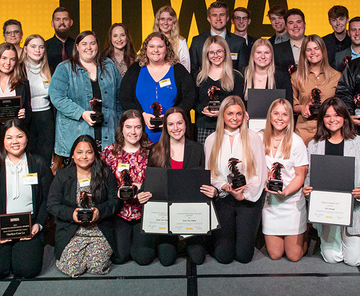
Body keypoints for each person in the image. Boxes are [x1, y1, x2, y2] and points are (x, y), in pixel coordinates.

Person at [0, 120, 53, 280]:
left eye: (19, 136)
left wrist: (38, 224)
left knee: (27, 270)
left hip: (29, 227)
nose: (15, 141)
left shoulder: (39, 164)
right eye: (9, 137)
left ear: (27, 138)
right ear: (2, 140)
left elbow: (48, 198)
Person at [302, 98, 360, 266]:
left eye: (337, 115)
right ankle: (340, 243)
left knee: (353, 260)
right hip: (327, 209)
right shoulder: (314, 144)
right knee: (331, 258)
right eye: (327, 116)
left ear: (344, 117)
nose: (332, 119)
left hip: (354, 208)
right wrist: (307, 191)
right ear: (322, 119)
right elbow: (310, 175)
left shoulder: (359, 143)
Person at [143, 107, 215, 265]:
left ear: (186, 124)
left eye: (179, 123)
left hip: (189, 211)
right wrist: (142, 193)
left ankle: (185, 239)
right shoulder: (156, 149)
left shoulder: (197, 149)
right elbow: (151, 182)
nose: (175, 128)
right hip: (166, 212)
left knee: (198, 258)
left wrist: (212, 191)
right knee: (166, 260)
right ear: (165, 126)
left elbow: (202, 181)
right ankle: (175, 240)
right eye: (171, 124)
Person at [206, 96, 266, 264]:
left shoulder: (253, 138)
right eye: (230, 113)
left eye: (239, 113)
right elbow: (210, 174)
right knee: (224, 257)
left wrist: (243, 195)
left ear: (244, 115)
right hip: (223, 198)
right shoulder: (212, 140)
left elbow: (260, 174)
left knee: (244, 256)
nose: (234, 118)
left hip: (248, 200)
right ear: (222, 115)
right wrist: (223, 186)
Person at [48, 135, 119, 277]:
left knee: (97, 267)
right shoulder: (62, 175)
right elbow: (52, 205)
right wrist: (71, 214)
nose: (84, 156)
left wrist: (100, 212)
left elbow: (115, 201)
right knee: (73, 269)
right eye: (79, 152)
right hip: (72, 231)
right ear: (73, 155)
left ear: (95, 154)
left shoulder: (105, 173)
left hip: (98, 230)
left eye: (89, 152)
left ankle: (91, 254)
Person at [52, 31, 122, 165]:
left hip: (108, 133)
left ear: (97, 45)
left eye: (92, 43)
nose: (88, 48)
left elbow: (119, 96)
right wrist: (82, 114)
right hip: (76, 134)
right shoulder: (65, 68)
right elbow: (57, 98)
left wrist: (119, 124)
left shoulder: (109, 65)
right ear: (77, 46)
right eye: (84, 44)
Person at [100, 110, 156, 265]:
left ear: (143, 129)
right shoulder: (109, 153)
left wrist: (144, 187)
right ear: (121, 128)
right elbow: (101, 184)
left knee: (143, 258)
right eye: (128, 127)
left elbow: (160, 182)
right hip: (119, 212)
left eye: (137, 127)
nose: (133, 132)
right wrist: (115, 192)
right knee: (120, 257)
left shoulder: (152, 151)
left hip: (144, 210)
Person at [120, 32, 196, 142]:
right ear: (146, 49)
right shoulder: (135, 70)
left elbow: (191, 96)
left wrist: (172, 116)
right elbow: (124, 98)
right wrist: (142, 114)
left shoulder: (178, 70)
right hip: (140, 135)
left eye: (160, 46)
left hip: (173, 134)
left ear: (167, 49)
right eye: (151, 46)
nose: (156, 50)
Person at [261, 99, 310, 261]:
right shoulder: (260, 138)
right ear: (270, 116)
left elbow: (300, 176)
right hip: (271, 203)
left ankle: (307, 236)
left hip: (291, 202)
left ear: (290, 118)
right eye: (276, 113)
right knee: (275, 255)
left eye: (284, 114)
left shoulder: (297, 142)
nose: (280, 118)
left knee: (294, 256)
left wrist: (285, 192)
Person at [291, 35, 342, 144]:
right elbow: (292, 104)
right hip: (304, 130)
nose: (312, 52)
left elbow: (341, 105)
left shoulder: (336, 76)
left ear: (323, 50)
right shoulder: (296, 77)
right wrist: (301, 108)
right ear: (304, 53)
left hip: (329, 130)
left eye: (316, 48)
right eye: (308, 50)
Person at [195, 36, 246, 144]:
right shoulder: (198, 77)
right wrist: (202, 109)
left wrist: (223, 112)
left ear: (225, 53)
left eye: (219, 51)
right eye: (212, 52)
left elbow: (237, 102)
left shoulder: (236, 77)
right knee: (206, 160)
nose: (216, 55)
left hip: (228, 126)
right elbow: (193, 101)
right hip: (205, 126)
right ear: (206, 54)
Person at [22, 34, 55, 164]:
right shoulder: (19, 70)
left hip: (46, 118)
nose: (38, 50)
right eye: (33, 46)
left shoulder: (50, 71)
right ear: (25, 49)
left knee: (45, 159)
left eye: (41, 47)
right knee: (28, 158)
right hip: (27, 119)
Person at [190, 1, 249, 72]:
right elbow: (193, 71)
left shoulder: (239, 42)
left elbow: (243, 72)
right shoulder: (197, 41)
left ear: (227, 18)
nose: (218, 18)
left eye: (222, 15)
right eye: (214, 15)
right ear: (209, 18)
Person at [244, 38, 293, 103]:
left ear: (272, 55)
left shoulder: (282, 76)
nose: (262, 56)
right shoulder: (243, 75)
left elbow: (288, 104)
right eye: (258, 52)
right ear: (253, 55)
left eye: (266, 53)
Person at [154, 5, 192, 72]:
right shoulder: (151, 41)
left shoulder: (181, 42)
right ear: (158, 21)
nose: (165, 23)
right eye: (162, 19)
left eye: (169, 19)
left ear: (174, 22)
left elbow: (186, 69)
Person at [272, 8, 308, 72]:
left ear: (304, 25)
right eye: (291, 23)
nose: (295, 26)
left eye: (298, 22)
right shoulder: (276, 50)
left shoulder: (317, 45)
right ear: (286, 26)